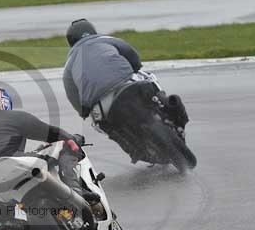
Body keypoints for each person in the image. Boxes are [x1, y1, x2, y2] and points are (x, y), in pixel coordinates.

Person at [0, 85, 98, 230]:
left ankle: (11, 225)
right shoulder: (14, 117)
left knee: (2, 218)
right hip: (18, 163)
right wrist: (71, 139)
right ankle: (76, 191)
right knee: (65, 146)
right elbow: (51, 133)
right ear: (6, 102)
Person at [62, 19, 188, 162]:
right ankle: (172, 112)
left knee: (107, 127)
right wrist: (136, 66)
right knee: (151, 82)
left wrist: (82, 111)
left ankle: (136, 150)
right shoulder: (107, 40)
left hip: (103, 103)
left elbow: (71, 93)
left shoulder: (69, 63)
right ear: (92, 31)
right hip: (130, 84)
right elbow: (131, 54)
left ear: (71, 41)